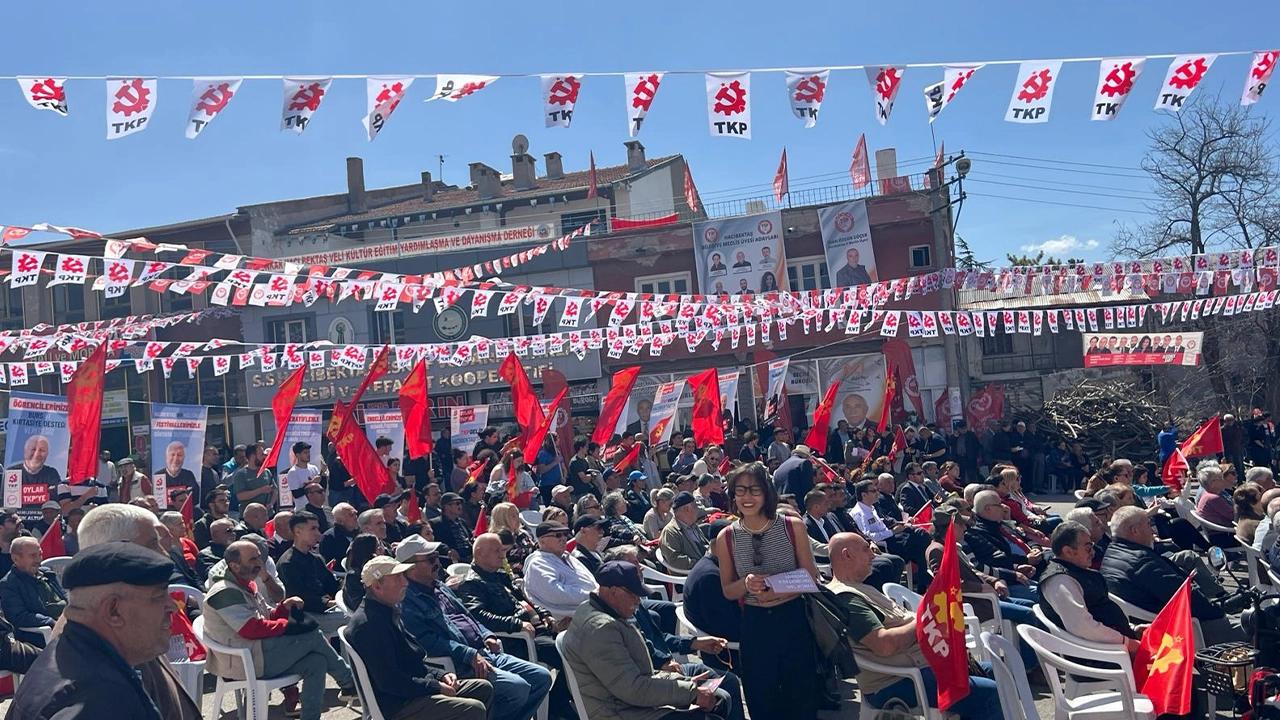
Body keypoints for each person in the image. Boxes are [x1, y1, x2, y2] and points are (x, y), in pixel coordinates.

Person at [827, 532, 1002, 720]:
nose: (873, 555)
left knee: (998, 671)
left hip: (920, 665)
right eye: (865, 549)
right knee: (989, 692)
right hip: (897, 680)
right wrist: (927, 620)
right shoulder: (847, 598)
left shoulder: (860, 588)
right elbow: (884, 645)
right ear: (846, 555)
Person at [6, 542, 180, 720]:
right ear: (114, 610)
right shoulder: (101, 700)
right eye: (158, 597)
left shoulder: (63, 656)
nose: (172, 607)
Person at [398, 535, 552, 720]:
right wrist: (467, 653)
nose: (437, 563)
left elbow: (469, 617)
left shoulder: (439, 587)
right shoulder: (407, 600)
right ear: (410, 566)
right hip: (459, 663)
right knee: (517, 688)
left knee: (541, 677)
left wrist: (486, 634)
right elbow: (426, 641)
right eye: (430, 559)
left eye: (437, 556)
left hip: (484, 652)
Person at [74, 503, 203, 720]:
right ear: (116, 549)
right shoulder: (91, 681)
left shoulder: (128, 626)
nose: (164, 554)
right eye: (153, 543)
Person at [561, 559, 734, 720]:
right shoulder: (601, 629)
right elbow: (632, 689)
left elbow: (636, 678)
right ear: (613, 592)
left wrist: (684, 684)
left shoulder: (597, 609)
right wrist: (691, 692)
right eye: (634, 594)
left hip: (630, 701)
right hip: (621, 712)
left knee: (720, 695)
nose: (638, 601)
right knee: (716, 709)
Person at [204, 539, 357, 720]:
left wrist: (284, 607)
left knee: (316, 662)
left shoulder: (245, 584)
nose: (259, 564)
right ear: (235, 566)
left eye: (259, 558)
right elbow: (251, 629)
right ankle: (350, 683)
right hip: (243, 663)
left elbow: (264, 617)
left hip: (256, 653)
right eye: (252, 560)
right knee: (312, 635)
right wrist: (289, 627)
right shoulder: (224, 591)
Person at [714, 462, 820, 720]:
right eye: (740, 490)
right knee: (762, 698)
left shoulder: (791, 526)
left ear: (767, 493)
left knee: (801, 698)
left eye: (754, 490)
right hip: (755, 625)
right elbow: (728, 590)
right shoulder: (726, 537)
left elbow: (812, 577)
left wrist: (776, 588)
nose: (747, 497)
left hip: (793, 619)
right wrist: (747, 584)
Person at [348, 554, 493, 719]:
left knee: (483, 689)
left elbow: (411, 659)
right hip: (399, 705)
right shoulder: (369, 625)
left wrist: (441, 675)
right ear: (377, 586)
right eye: (397, 578)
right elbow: (390, 681)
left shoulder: (387, 611)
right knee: (472, 708)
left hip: (414, 691)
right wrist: (435, 686)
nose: (405, 582)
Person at [456, 533, 573, 718]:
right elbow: (478, 616)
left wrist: (545, 615)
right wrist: (516, 623)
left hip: (533, 630)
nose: (502, 556)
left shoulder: (500, 577)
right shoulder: (472, 583)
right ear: (479, 553)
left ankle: (558, 703)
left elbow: (526, 599)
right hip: (513, 639)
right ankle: (557, 708)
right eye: (497, 551)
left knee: (571, 646)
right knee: (563, 654)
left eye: (502, 551)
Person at [1101, 506, 1245, 646]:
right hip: (1190, 629)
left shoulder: (1110, 555)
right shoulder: (1143, 563)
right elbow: (1188, 600)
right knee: (1260, 623)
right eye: (1148, 525)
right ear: (1135, 531)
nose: (1152, 531)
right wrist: (1222, 609)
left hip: (1158, 620)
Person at [1040, 521, 1145, 649]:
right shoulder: (1060, 581)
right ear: (1068, 551)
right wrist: (1127, 643)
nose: (1093, 553)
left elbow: (1102, 609)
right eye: (1088, 548)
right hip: (1103, 656)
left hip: (1117, 642)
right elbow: (1082, 627)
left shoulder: (1078, 571)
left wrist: (1132, 629)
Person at [850, 479, 932, 590]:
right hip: (885, 544)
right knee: (920, 541)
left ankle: (923, 579)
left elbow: (884, 523)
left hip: (892, 537)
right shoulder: (859, 513)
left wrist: (898, 526)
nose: (877, 493)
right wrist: (893, 531)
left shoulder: (872, 508)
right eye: (873, 491)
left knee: (920, 535)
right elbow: (868, 536)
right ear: (864, 494)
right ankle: (924, 578)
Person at [277, 510, 348, 636]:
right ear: (298, 531)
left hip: (325, 610)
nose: (318, 533)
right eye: (313, 529)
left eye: (318, 528)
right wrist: (327, 603)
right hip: (304, 616)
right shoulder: (287, 563)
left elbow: (332, 584)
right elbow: (298, 598)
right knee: (355, 619)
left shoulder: (316, 558)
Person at [523, 521, 599, 618]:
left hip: (593, 607)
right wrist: (593, 595)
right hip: (573, 618)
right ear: (542, 541)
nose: (563, 538)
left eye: (565, 534)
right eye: (558, 535)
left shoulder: (568, 557)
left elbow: (590, 582)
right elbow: (555, 593)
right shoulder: (538, 563)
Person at [0, 535, 66, 646]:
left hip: (68, 622)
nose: (39, 559)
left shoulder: (48, 574)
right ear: (16, 558)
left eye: (40, 554)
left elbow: (64, 596)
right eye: (33, 556)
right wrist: (51, 622)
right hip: (43, 635)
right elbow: (19, 616)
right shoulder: (9, 584)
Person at [660, 492, 710, 573]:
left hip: (706, 565)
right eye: (695, 506)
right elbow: (675, 560)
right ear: (687, 509)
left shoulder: (692, 524)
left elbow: (703, 545)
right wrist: (702, 564)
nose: (697, 509)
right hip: (694, 574)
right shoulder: (670, 532)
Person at [433, 491, 475, 563]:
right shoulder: (436, 524)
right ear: (446, 506)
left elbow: (470, 539)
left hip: (469, 559)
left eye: (461, 503)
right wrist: (447, 550)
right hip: (451, 562)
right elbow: (433, 543)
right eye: (457, 503)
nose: (460, 506)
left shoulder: (462, 522)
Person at [283, 441, 321, 510]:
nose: (308, 455)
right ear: (297, 455)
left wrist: (323, 475)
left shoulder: (314, 468)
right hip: (302, 509)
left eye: (309, 452)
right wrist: (312, 483)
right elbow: (296, 494)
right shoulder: (293, 472)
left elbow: (322, 487)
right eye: (305, 453)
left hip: (317, 507)